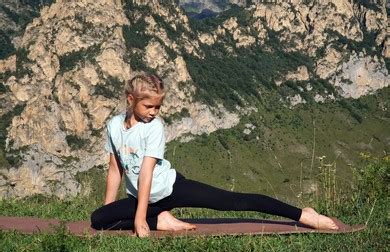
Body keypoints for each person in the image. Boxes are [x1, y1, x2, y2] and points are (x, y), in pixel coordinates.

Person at [91, 72, 339, 237]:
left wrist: (140, 219)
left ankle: (303, 214)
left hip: (169, 188)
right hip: (142, 198)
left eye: (158, 106)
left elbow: (146, 173)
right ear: (130, 99)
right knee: (98, 219)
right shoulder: (114, 126)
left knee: (234, 202)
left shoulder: (154, 128)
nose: (155, 112)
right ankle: (162, 220)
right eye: (149, 106)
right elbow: (115, 170)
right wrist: (110, 211)